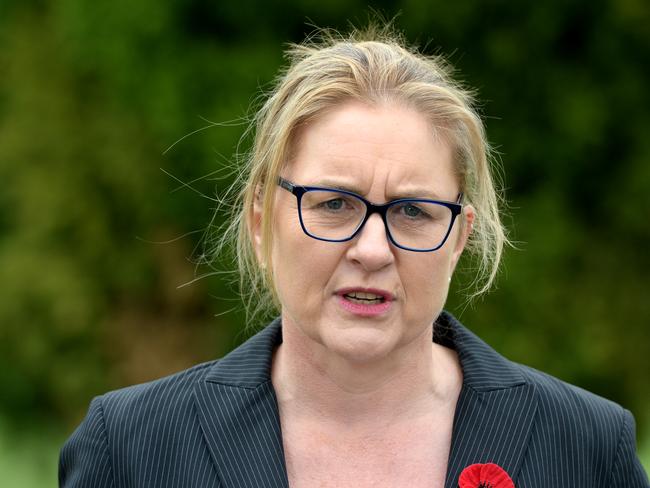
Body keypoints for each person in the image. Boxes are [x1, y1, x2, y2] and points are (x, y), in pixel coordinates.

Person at [59, 25, 649, 487]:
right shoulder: (133, 447)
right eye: (334, 204)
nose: (372, 250)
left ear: (460, 236)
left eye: (413, 211)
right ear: (262, 220)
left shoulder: (586, 445)